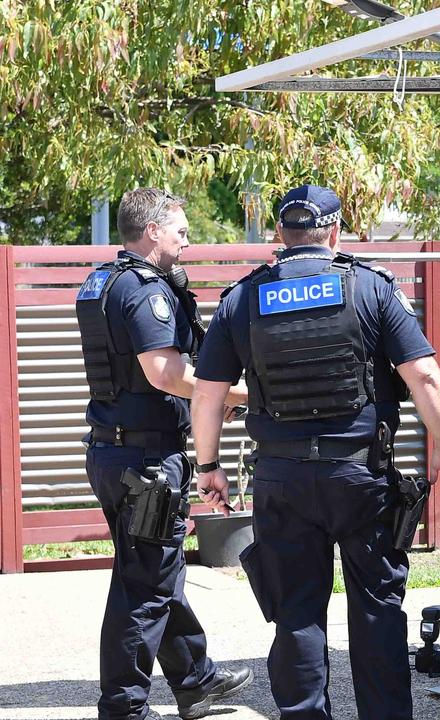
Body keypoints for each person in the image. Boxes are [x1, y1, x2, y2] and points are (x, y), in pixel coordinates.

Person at [190, 185, 440, 720]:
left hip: (282, 480)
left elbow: (207, 392)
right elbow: (425, 375)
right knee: (377, 608)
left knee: (295, 612)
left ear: (278, 235)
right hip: (360, 474)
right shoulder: (371, 288)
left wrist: (208, 466)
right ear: (334, 232)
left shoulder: (243, 298)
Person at [75, 188, 253, 720]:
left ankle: (195, 680)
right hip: (148, 464)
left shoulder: (101, 280)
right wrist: (233, 394)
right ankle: (124, 707)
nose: (187, 239)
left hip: (112, 453)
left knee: (155, 569)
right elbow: (164, 372)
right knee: (144, 584)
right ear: (152, 230)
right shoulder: (145, 289)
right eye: (180, 229)